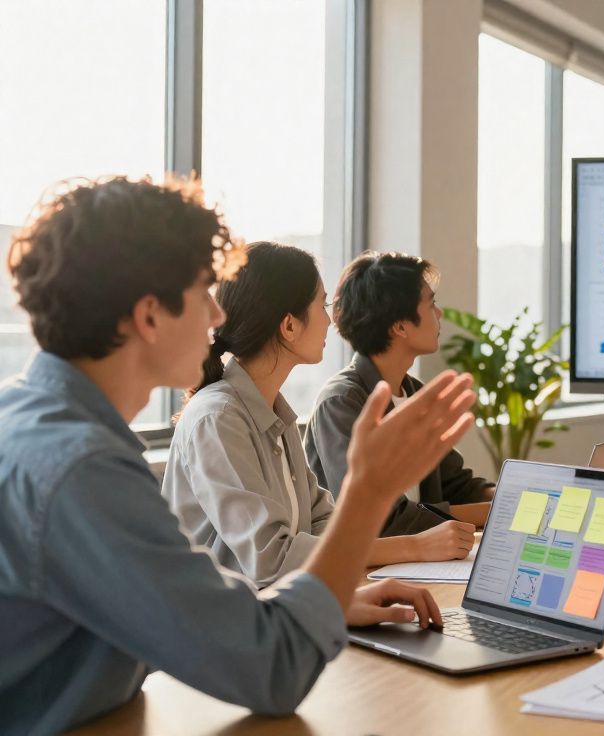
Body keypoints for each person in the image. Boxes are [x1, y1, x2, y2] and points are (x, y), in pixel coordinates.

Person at [0, 176, 475, 734]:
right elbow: (274, 671)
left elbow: (170, 613)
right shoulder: (82, 469)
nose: (218, 317)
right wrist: (369, 492)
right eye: (205, 293)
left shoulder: (39, 424)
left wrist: (316, 602)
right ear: (149, 315)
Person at [163, 242, 477, 588]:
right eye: (321, 304)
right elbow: (273, 559)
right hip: (225, 627)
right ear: (289, 326)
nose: (330, 320)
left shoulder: (275, 412)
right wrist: (414, 546)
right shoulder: (219, 417)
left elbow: (324, 522)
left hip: (277, 610)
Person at [305, 250, 494, 533]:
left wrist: (513, 499)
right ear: (400, 327)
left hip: (424, 561)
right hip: (365, 571)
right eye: (431, 304)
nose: (439, 314)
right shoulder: (341, 402)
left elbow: (456, 484)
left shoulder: (415, 392)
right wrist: (489, 513)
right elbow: (379, 518)